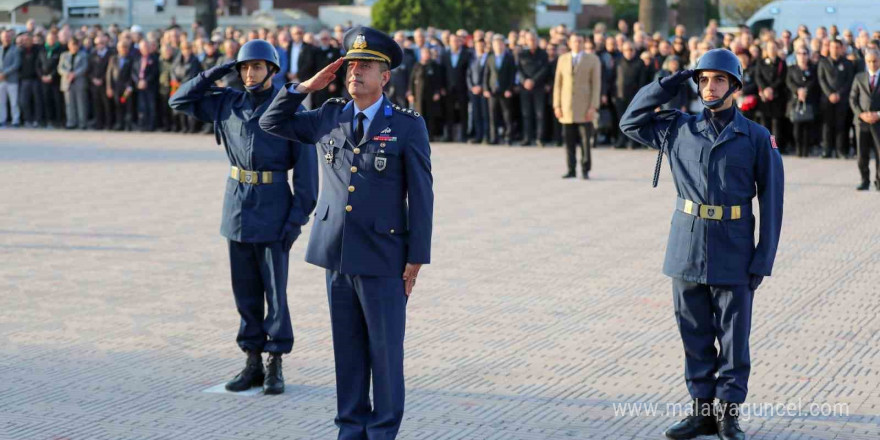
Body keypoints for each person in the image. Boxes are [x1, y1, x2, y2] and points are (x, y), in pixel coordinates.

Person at [259, 26, 433, 440]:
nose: (355, 72)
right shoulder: (329, 114)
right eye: (351, 65)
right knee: (349, 353)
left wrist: (416, 257)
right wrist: (303, 86)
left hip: (384, 256)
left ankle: (382, 431)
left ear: (385, 76)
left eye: (366, 66)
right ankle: (350, 428)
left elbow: (422, 196)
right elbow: (270, 121)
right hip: (336, 254)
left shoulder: (407, 126)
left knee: (385, 353)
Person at [620, 49, 784, 440]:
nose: (710, 87)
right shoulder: (679, 127)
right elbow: (630, 121)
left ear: (735, 86)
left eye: (719, 79)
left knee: (732, 337)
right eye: (704, 80)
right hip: (687, 246)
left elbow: (772, 202)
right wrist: (671, 82)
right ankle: (701, 412)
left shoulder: (757, 138)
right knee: (693, 334)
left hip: (735, 248)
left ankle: (728, 416)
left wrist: (763, 258)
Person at [169, 39, 318, 395]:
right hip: (237, 207)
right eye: (245, 67)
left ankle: (275, 363)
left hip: (274, 208)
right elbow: (179, 100)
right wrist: (220, 69)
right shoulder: (227, 103)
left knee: (275, 292)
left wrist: (295, 221)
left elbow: (308, 179)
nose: (250, 73)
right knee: (245, 291)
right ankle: (251, 359)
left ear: (272, 71)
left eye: (257, 67)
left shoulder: (290, 111)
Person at [553, 33, 601, 180]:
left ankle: (585, 169)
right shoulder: (562, 59)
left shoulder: (592, 59)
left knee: (585, 141)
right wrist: (557, 105)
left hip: (584, 107)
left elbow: (596, 84)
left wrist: (593, 106)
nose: (577, 44)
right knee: (569, 141)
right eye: (574, 41)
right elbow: (558, 84)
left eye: (580, 41)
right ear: (569, 43)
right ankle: (571, 169)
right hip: (566, 106)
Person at [818, 38, 855, 158]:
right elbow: (821, 79)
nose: (835, 49)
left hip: (842, 100)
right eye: (832, 47)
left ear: (841, 48)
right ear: (829, 48)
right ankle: (827, 150)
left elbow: (849, 81)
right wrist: (830, 94)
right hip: (827, 100)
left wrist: (839, 94)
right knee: (827, 126)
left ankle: (840, 150)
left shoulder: (847, 63)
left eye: (837, 47)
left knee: (841, 125)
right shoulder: (823, 62)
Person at [849, 48, 880, 191]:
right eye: (869, 61)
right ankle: (864, 180)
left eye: (875, 61)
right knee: (862, 154)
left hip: (878, 122)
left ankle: (878, 181)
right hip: (862, 122)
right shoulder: (859, 77)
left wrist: (878, 114)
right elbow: (852, 99)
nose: (872, 64)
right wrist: (861, 114)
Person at [516, 31, 550, 146]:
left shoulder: (543, 54)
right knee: (526, 114)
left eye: (534, 39)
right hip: (525, 88)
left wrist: (533, 81)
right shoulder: (521, 54)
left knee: (540, 114)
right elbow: (519, 70)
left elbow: (545, 69)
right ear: (526, 41)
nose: (532, 42)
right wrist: (524, 81)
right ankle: (527, 138)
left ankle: (540, 138)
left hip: (538, 87)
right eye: (530, 40)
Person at [614, 41, 649, 148]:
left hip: (634, 97)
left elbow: (643, 82)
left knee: (633, 120)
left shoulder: (640, 63)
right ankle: (621, 140)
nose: (628, 52)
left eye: (631, 50)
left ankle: (633, 141)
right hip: (620, 96)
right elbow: (612, 79)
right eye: (626, 50)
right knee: (620, 119)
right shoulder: (618, 62)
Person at [785, 47, 819, 157]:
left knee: (807, 127)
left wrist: (805, 90)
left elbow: (813, 81)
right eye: (800, 53)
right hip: (795, 101)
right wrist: (797, 91)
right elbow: (789, 82)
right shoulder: (791, 69)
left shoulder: (812, 68)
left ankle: (806, 149)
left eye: (805, 53)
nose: (802, 56)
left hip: (808, 100)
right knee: (797, 127)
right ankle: (798, 149)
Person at [755, 40, 788, 154]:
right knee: (765, 124)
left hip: (777, 97)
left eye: (774, 47)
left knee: (776, 125)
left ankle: (774, 147)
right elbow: (758, 77)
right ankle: (765, 147)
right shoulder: (761, 62)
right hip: (764, 98)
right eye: (770, 48)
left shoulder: (781, 63)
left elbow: (782, 79)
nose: (772, 50)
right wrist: (765, 89)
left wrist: (771, 89)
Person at [483, 34, 516, 145]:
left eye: (500, 44)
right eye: (496, 44)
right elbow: (486, 74)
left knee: (507, 115)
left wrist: (509, 89)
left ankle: (508, 137)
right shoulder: (490, 57)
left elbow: (512, 75)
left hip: (505, 91)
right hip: (492, 91)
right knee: (492, 116)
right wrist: (486, 89)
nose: (498, 46)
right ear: (493, 45)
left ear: (504, 45)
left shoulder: (509, 57)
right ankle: (494, 138)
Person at [408, 46, 444, 140]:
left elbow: (439, 80)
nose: (426, 55)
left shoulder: (433, 65)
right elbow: (411, 80)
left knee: (430, 115)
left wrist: (437, 92)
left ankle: (430, 135)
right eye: (424, 53)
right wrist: (411, 93)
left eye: (427, 53)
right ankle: (420, 135)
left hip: (430, 95)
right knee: (420, 115)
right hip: (418, 95)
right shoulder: (417, 65)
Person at [440, 34, 471, 142]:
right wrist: (442, 87)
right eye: (453, 41)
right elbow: (442, 72)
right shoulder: (445, 54)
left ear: (460, 42)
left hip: (462, 88)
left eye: (457, 41)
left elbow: (469, 72)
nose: (455, 43)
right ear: (449, 42)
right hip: (448, 88)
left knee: (463, 112)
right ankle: (449, 135)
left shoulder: (466, 54)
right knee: (449, 112)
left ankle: (463, 136)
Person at [58, 37, 89, 130]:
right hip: (67, 81)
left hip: (78, 81)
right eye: (72, 45)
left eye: (76, 45)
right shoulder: (64, 55)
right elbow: (60, 68)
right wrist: (67, 73)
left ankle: (82, 123)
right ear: (69, 45)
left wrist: (75, 74)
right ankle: (71, 122)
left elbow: (84, 66)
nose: (74, 47)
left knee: (81, 103)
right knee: (69, 103)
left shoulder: (83, 55)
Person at [106, 39, 136, 131]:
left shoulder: (131, 59)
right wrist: (109, 87)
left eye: (125, 47)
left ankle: (128, 125)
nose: (123, 49)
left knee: (128, 107)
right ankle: (119, 124)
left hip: (127, 88)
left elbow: (133, 74)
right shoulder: (113, 59)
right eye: (121, 47)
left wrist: (130, 86)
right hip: (116, 88)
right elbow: (109, 74)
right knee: (118, 106)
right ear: (118, 48)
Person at [39, 31, 65, 128]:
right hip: (44, 80)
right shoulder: (43, 50)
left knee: (57, 101)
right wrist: (42, 76)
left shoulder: (60, 49)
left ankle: (58, 120)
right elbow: (38, 65)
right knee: (46, 100)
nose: (51, 40)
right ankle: (49, 120)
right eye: (50, 39)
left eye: (53, 39)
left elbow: (60, 65)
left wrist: (52, 76)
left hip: (56, 80)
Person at [132, 39, 159, 131]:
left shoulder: (154, 58)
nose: (145, 49)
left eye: (147, 47)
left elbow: (155, 72)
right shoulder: (137, 58)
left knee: (151, 106)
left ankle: (151, 125)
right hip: (139, 86)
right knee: (141, 106)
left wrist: (146, 81)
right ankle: (142, 125)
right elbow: (134, 72)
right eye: (143, 47)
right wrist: (138, 81)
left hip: (150, 86)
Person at [88, 34, 114, 130]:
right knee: (97, 104)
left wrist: (102, 79)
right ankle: (99, 123)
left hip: (106, 84)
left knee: (107, 105)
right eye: (98, 43)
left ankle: (109, 124)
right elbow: (89, 69)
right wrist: (93, 79)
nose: (100, 45)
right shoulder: (92, 55)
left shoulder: (111, 54)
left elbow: (110, 70)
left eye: (102, 43)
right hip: (94, 84)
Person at [467, 37, 489, 144]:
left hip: (485, 91)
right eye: (477, 45)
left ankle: (486, 135)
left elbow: (489, 75)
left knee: (485, 113)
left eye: (481, 45)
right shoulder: (472, 59)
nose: (480, 47)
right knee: (476, 114)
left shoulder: (489, 58)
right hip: (474, 91)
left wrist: (483, 87)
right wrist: (472, 87)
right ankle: (478, 136)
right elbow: (468, 75)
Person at [18, 33, 43, 128]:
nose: (26, 41)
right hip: (24, 80)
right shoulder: (21, 51)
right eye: (24, 40)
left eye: (28, 39)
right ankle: (27, 119)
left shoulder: (38, 49)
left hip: (36, 79)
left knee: (37, 101)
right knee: (24, 101)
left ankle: (37, 120)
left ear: (32, 40)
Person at [0, 29, 22, 127]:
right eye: (4, 36)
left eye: (8, 36)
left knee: (14, 102)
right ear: (1, 38)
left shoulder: (16, 49)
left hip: (12, 79)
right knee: (1, 102)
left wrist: (4, 73)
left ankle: (15, 120)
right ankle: (2, 119)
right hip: (1, 80)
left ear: (11, 38)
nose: (6, 38)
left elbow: (16, 64)